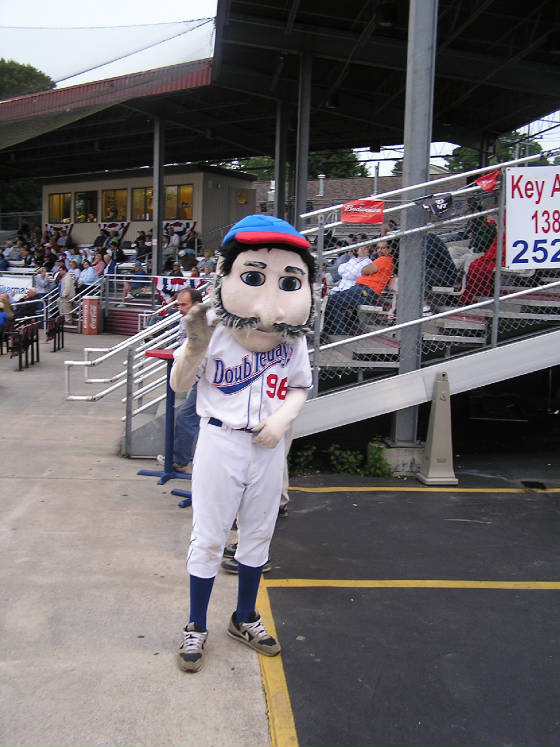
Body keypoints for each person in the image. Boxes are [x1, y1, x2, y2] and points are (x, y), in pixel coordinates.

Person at [170, 214, 314, 673]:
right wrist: (193, 348)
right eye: (253, 275)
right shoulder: (210, 324)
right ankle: (196, 624)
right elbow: (178, 386)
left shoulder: (292, 333)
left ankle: (244, 617)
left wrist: (284, 418)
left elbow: (300, 386)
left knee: (257, 536)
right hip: (220, 439)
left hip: (268, 446)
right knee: (209, 538)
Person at [156, 288, 204, 473]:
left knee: (187, 416)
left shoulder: (206, 322)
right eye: (178, 304)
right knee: (188, 416)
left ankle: (179, 460)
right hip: (201, 378)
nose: (180, 308)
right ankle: (180, 459)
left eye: (184, 304)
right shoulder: (187, 320)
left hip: (212, 380)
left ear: (197, 305)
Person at [322, 241, 394, 336]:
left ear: (390, 249)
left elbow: (364, 270)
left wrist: (366, 271)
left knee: (333, 300)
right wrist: (366, 271)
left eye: (383, 248)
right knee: (331, 300)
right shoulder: (378, 260)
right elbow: (363, 270)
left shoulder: (385, 259)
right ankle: (332, 331)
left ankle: (340, 333)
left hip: (366, 291)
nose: (380, 250)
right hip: (360, 288)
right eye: (378, 248)